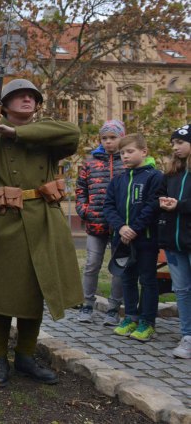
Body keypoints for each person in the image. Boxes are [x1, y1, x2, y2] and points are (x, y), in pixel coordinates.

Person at [0, 79, 82, 387]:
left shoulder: (47, 134)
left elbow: (73, 134)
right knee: (2, 297)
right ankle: (0, 358)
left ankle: (26, 357)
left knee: (34, 293)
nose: (27, 100)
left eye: (32, 97)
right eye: (20, 96)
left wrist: (17, 132)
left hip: (43, 222)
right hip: (6, 224)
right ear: (6, 104)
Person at [104, 133, 163, 342]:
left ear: (144, 152)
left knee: (147, 280)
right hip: (122, 240)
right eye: (122, 153)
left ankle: (147, 322)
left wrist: (134, 229)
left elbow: (152, 206)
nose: (125, 156)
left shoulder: (155, 177)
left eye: (130, 151)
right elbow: (108, 207)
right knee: (127, 278)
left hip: (145, 239)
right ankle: (130, 317)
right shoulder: (118, 180)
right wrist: (121, 228)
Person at [75, 120, 126, 325]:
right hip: (95, 224)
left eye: (113, 137)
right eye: (104, 138)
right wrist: (83, 209)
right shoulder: (90, 163)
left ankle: (113, 308)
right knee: (91, 264)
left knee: (118, 267)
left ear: (121, 137)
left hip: (120, 227)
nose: (108, 142)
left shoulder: (127, 162)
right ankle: (87, 304)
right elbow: (80, 190)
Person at [158, 124, 191, 358]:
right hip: (174, 243)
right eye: (173, 143)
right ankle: (187, 336)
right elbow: (158, 197)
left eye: (180, 142)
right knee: (182, 290)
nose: (175, 147)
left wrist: (180, 206)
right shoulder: (171, 174)